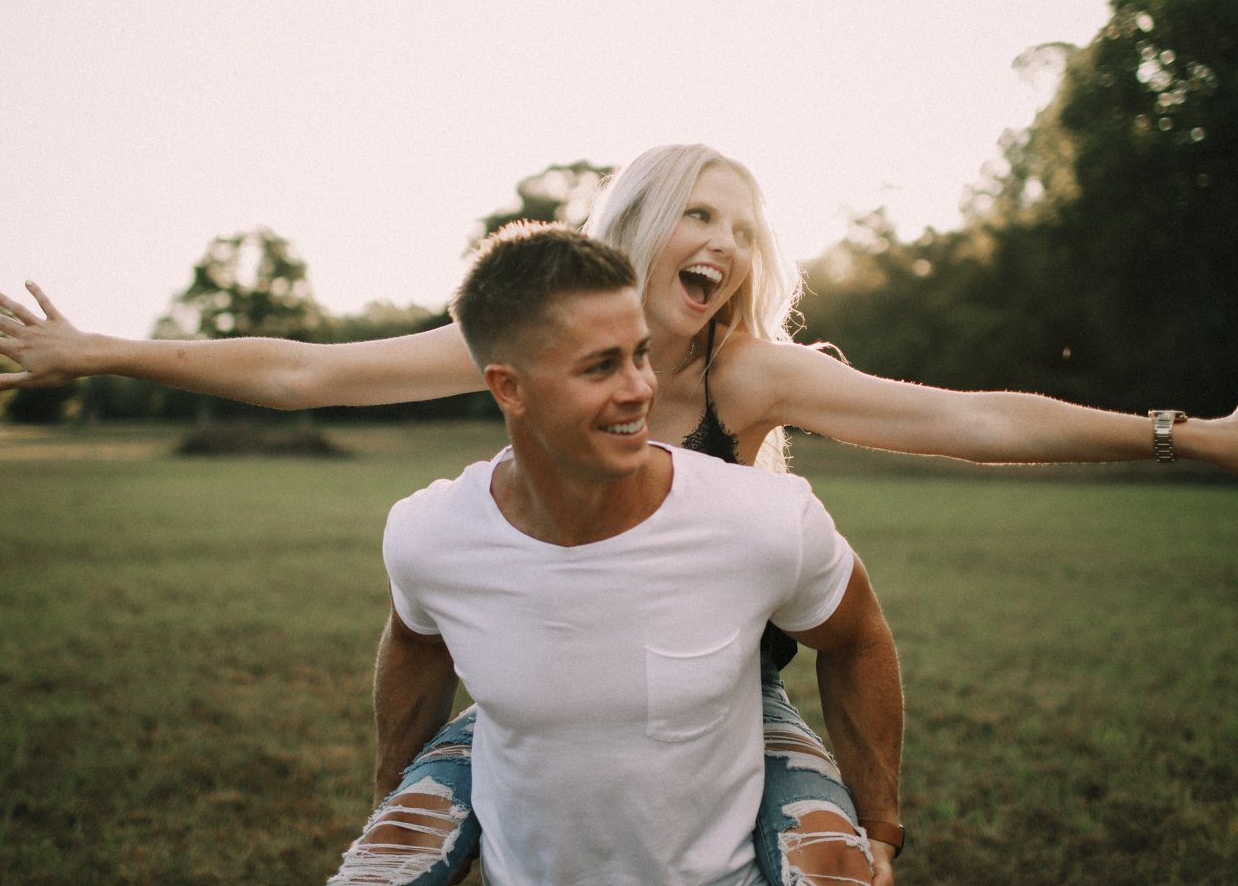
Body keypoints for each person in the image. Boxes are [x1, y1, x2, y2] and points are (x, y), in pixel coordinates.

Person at [0, 143, 1238, 883]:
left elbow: (974, 414)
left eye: (744, 225)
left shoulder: (747, 370)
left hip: (735, 712)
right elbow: (305, 368)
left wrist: (1184, 434)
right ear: (635, 224)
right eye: (699, 209)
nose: (727, 241)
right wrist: (101, 350)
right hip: (527, 710)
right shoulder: (525, 337)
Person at [368, 221, 903, 884]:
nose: (639, 390)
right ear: (509, 388)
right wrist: (395, 809)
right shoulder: (432, 533)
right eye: (600, 366)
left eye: (640, 355)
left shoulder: (763, 519)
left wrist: (880, 824)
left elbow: (856, 636)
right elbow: (416, 645)